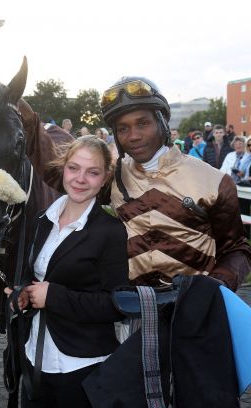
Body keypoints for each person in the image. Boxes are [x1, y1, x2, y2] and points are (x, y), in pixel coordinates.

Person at [11, 136, 129, 408]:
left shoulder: (111, 232)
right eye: (74, 168)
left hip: (82, 367)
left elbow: (115, 304)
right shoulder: (42, 220)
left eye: (92, 172)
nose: (80, 179)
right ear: (63, 169)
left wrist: (54, 297)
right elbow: (35, 276)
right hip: (35, 358)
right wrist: (21, 294)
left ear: (104, 179)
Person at [100, 76, 251, 289]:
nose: (133, 136)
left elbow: (237, 249)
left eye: (143, 123)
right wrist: (33, 125)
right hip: (134, 311)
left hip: (195, 311)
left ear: (162, 123)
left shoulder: (216, 180)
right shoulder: (112, 176)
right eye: (123, 128)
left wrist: (214, 288)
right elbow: (61, 179)